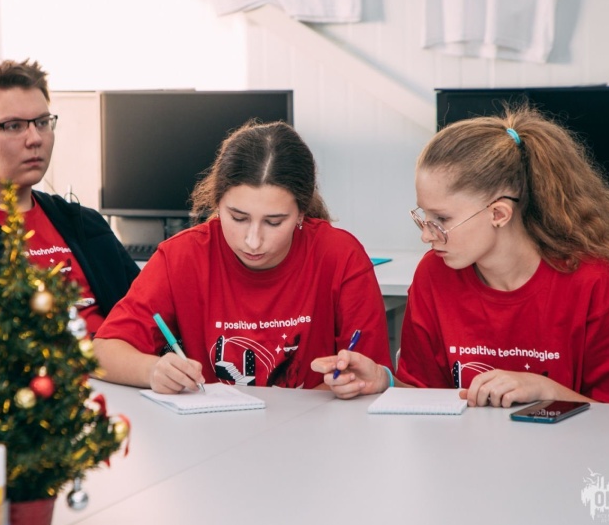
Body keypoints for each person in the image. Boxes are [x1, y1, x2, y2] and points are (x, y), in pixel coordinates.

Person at [315, 104, 609, 406]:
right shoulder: (434, 273)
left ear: (499, 214)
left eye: (442, 219)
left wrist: (545, 389)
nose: (426, 235)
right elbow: (425, 396)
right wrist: (384, 381)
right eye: (424, 217)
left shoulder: (594, 283)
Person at [93, 120, 393, 394]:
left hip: (316, 429)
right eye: (238, 218)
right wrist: (153, 370)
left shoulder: (341, 256)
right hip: (212, 428)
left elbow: (371, 372)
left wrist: (349, 383)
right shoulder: (181, 257)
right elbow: (102, 352)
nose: (253, 241)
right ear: (217, 203)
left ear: (301, 212)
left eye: (274, 222)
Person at [0, 60, 139, 334]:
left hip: (119, 358)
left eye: (43, 123)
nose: (35, 138)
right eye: (13, 126)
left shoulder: (85, 223)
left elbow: (147, 313)